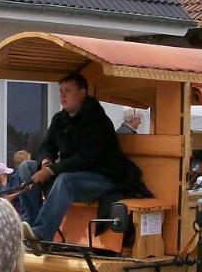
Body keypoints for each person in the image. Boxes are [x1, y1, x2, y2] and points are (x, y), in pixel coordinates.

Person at [14, 73, 131, 242]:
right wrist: (46, 161)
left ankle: (42, 234)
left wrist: (50, 170)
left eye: (67, 91)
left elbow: (86, 159)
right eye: (60, 91)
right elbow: (47, 145)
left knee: (65, 180)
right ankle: (30, 227)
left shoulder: (98, 121)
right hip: (73, 174)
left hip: (104, 178)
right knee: (26, 167)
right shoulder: (60, 119)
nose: (62, 96)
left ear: (82, 93)